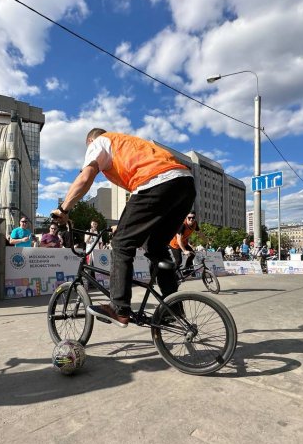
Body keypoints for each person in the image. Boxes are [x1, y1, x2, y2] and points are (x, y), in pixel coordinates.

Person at [51, 128, 195, 328]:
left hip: (156, 182)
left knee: (120, 244)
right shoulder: (126, 144)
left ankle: (119, 309)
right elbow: (146, 208)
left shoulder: (99, 142)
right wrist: (123, 224)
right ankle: (174, 308)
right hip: (185, 184)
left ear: (90, 141)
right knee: (156, 247)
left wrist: (63, 209)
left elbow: (85, 178)